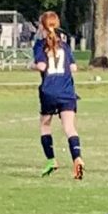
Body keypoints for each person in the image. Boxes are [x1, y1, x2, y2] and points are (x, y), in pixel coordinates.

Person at [34, 9, 83, 180]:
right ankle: (77, 158)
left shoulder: (40, 45)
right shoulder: (64, 45)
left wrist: (31, 65)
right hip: (67, 92)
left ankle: (51, 160)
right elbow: (73, 67)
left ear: (42, 27)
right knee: (69, 127)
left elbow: (41, 66)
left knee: (45, 125)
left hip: (49, 91)